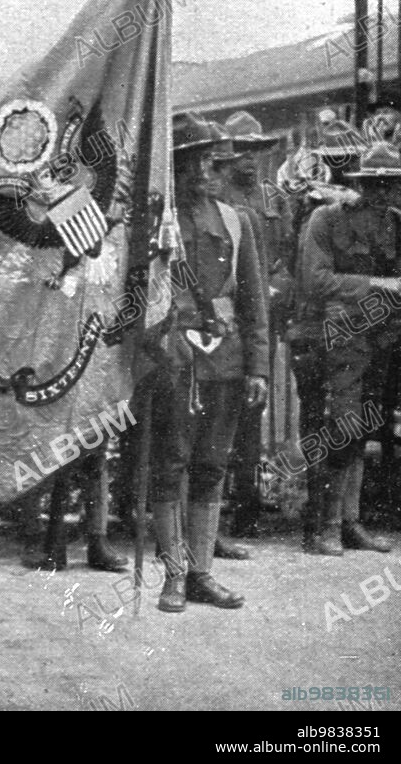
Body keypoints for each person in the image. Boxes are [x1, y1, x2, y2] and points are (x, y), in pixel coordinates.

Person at [150, 115, 269, 612]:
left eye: (210, 160)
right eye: (194, 160)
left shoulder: (236, 220)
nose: (206, 169)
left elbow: (253, 300)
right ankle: (173, 576)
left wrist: (259, 366)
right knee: (170, 464)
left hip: (224, 358)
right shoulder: (159, 221)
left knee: (211, 465)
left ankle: (201, 572)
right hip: (173, 357)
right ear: (175, 166)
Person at [293, 141, 400, 556]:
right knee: (340, 427)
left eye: (391, 186)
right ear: (358, 184)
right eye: (374, 185)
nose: (383, 194)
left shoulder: (396, 224)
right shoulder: (326, 219)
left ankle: (350, 522)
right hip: (332, 339)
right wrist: (377, 285)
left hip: (379, 340)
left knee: (363, 427)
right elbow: (314, 280)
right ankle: (324, 527)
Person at [218, 112, 288, 548]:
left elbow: (288, 257)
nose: (250, 161)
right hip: (225, 318)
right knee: (219, 417)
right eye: (242, 151)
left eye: (257, 152)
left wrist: (276, 289)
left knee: (252, 416)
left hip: (264, 316)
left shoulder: (274, 199)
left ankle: (246, 509)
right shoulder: (218, 197)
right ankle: (216, 512)